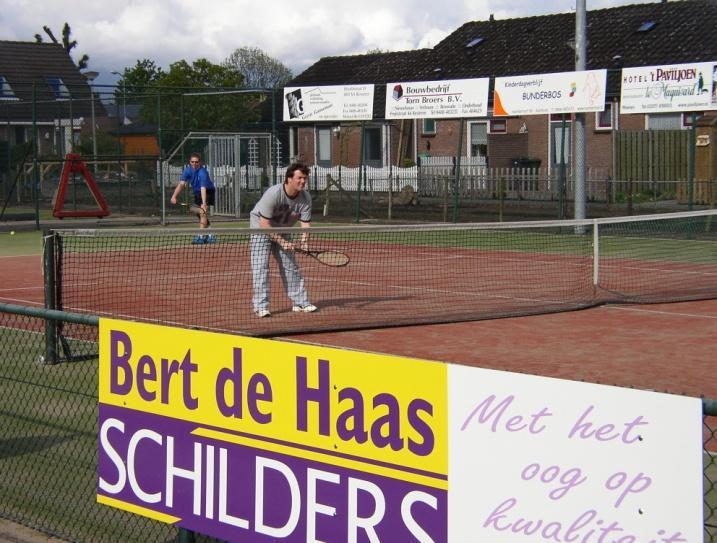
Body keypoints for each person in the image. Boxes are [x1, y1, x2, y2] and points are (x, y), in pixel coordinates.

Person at [249, 162, 317, 317]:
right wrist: (282, 242)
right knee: (260, 268)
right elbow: (264, 223)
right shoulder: (274, 193)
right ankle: (261, 306)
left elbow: (305, 223)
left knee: (290, 266)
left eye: (305, 179)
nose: (302, 182)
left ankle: (300, 302)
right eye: (299, 178)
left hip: (283, 228)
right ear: (289, 179)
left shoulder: (305, 198)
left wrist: (304, 242)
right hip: (260, 228)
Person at [170, 152, 216, 244]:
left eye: (196, 162)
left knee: (202, 213)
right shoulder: (187, 171)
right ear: (189, 162)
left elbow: (203, 188)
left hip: (208, 192)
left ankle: (201, 236)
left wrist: (203, 203)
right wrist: (174, 196)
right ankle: (210, 234)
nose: (194, 164)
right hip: (197, 193)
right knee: (198, 213)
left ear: (200, 162)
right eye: (192, 162)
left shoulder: (203, 172)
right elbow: (181, 184)